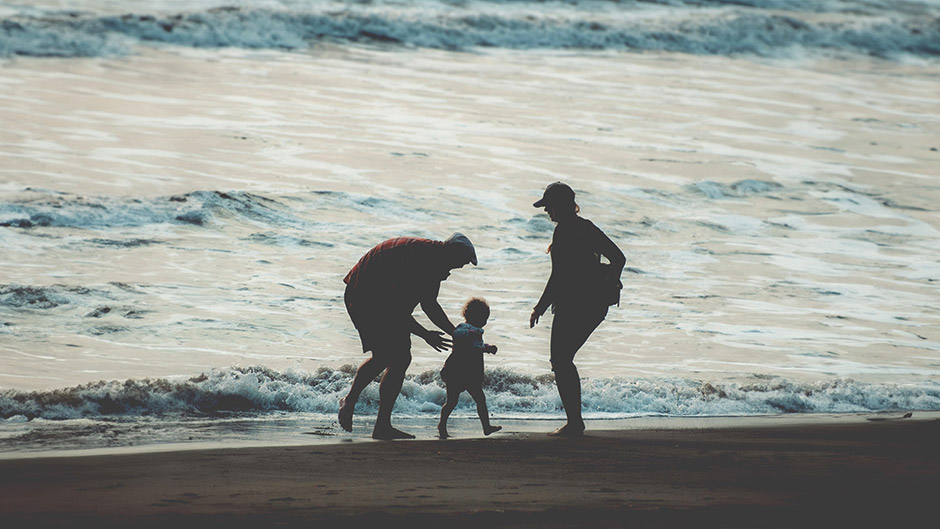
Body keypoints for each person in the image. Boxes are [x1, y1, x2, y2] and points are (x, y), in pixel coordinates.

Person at [339, 233, 478, 440]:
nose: (455, 270)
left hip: (379, 294)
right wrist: (425, 334)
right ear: (451, 253)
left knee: (389, 356)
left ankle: (359, 408)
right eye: (459, 263)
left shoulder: (435, 260)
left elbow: (429, 304)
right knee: (395, 356)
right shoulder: (419, 260)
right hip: (363, 292)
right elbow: (394, 310)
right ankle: (374, 420)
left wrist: (455, 332)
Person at [529, 182, 625, 437]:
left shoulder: (566, 231)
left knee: (560, 360)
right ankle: (575, 421)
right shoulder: (584, 228)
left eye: (549, 205)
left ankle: (575, 423)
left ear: (561, 205)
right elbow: (619, 258)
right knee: (562, 360)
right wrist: (608, 281)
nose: (547, 210)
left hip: (576, 305)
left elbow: (558, 275)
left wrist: (540, 305)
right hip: (590, 305)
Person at [438, 297, 502, 439]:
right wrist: (486, 348)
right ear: (476, 317)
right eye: (484, 318)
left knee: (468, 400)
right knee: (463, 400)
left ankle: (485, 426)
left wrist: (486, 347)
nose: (485, 322)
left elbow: (472, 345)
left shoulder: (468, 330)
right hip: (461, 372)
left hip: (462, 372)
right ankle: (443, 424)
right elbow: (468, 345)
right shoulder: (468, 330)